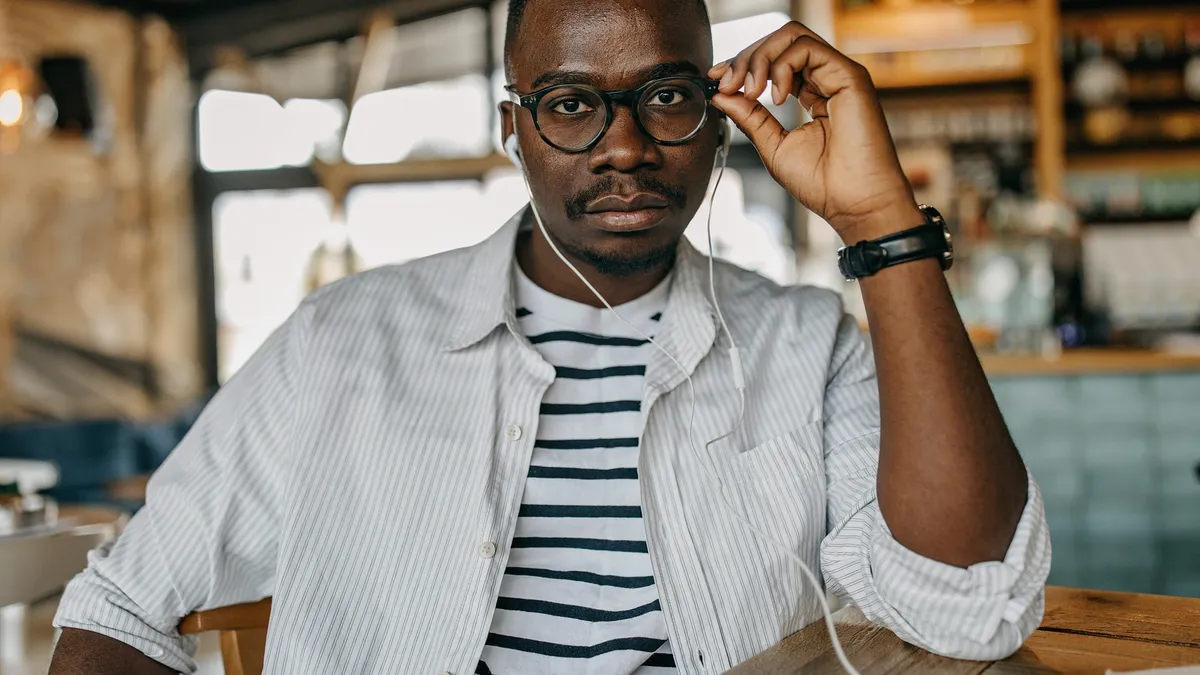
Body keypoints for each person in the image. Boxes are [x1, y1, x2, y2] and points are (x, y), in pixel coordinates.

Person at [49, 0, 1050, 673]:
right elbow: (120, 608)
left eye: (665, 95)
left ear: (717, 117)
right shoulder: (343, 343)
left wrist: (884, 226)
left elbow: (970, 604)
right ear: (512, 126)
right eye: (573, 103)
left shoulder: (801, 345)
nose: (623, 144)